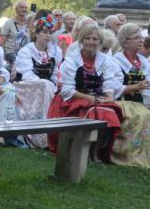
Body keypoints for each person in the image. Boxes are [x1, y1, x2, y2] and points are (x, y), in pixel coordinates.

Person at [49, 22, 124, 162]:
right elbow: (67, 90)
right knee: (98, 111)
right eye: (88, 38)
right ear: (81, 40)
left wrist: (109, 98)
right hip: (73, 98)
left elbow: (108, 83)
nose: (91, 42)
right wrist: (91, 99)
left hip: (96, 98)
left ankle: (96, 151)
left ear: (100, 42)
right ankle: (85, 150)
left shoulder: (105, 60)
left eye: (95, 39)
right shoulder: (72, 60)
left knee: (111, 110)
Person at [110, 23, 150, 169]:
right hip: (122, 101)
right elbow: (113, 88)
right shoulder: (116, 61)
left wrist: (147, 101)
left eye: (141, 37)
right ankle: (131, 156)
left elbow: (147, 87)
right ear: (126, 41)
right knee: (141, 117)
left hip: (140, 101)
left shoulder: (143, 62)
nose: (141, 40)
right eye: (136, 37)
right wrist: (135, 87)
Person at [12, 13, 63, 147]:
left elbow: (55, 74)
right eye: (45, 32)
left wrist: (52, 86)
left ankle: (51, 136)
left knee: (53, 90)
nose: (48, 36)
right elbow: (26, 74)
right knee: (45, 86)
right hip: (26, 86)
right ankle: (38, 137)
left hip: (46, 87)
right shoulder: (27, 50)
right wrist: (45, 84)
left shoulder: (56, 51)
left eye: (51, 32)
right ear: (37, 34)